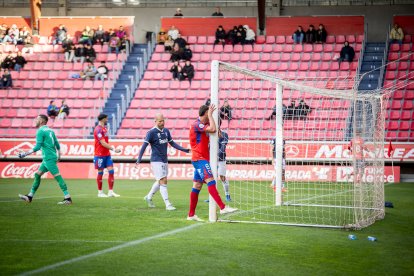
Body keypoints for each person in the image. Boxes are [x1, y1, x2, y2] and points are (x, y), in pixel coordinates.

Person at [187, 104, 238, 221]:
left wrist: (217, 129)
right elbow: (213, 129)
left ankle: (191, 215)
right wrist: (211, 116)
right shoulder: (196, 124)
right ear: (205, 113)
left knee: (197, 185)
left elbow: (214, 130)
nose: (211, 115)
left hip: (201, 158)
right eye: (209, 113)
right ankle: (222, 207)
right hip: (199, 158)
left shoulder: (202, 125)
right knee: (211, 180)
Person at [136, 113, 190, 211]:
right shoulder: (151, 132)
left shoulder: (166, 131)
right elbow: (144, 146)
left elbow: (172, 143)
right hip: (156, 160)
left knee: (160, 180)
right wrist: (139, 159)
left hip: (164, 160)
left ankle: (148, 197)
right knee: (163, 180)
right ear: (155, 121)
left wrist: (184, 150)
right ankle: (167, 204)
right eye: (160, 121)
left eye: (163, 120)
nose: (162, 122)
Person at [18, 114, 72, 205]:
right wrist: (59, 156)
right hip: (50, 157)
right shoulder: (51, 131)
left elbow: (37, 147)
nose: (35, 120)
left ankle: (68, 198)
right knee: (37, 174)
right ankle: (30, 196)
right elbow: (57, 144)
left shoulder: (40, 131)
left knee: (58, 177)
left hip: (48, 158)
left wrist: (25, 153)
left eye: (37, 119)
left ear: (42, 121)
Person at [94, 113, 122, 197]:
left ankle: (110, 192)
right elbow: (102, 143)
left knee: (111, 171)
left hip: (107, 154)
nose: (107, 120)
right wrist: (114, 149)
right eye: (106, 118)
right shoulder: (98, 129)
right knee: (100, 172)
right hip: (99, 155)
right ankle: (100, 192)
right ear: (102, 119)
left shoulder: (104, 128)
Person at [218, 130, 231, 201]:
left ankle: (227, 194)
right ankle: (212, 196)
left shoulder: (224, 134)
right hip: (211, 159)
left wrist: (217, 155)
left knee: (222, 177)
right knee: (211, 178)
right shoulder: (209, 132)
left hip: (221, 159)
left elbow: (223, 147)